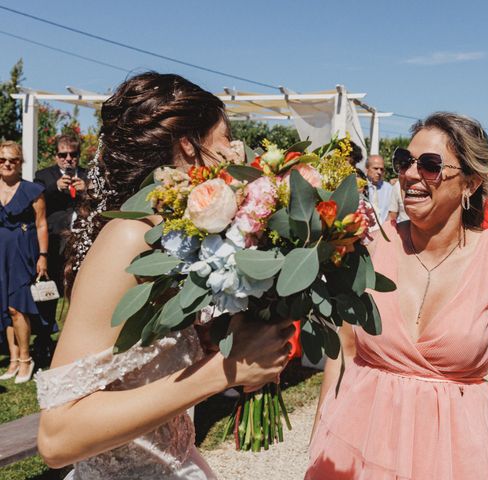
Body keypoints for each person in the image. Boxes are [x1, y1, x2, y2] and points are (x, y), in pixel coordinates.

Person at [35, 72, 294, 479]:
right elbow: (57, 437)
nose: (237, 152)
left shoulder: (174, 241)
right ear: (188, 146)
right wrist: (220, 372)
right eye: (226, 139)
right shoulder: (128, 236)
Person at [307, 112, 488, 480]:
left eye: (429, 165)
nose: (410, 174)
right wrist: (319, 443)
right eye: (404, 161)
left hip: (455, 458)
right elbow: (343, 354)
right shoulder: (371, 246)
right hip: (360, 450)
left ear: (470, 183)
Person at [34, 135, 87, 362]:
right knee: (48, 298)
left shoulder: (86, 176)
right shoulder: (44, 176)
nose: (68, 160)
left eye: (73, 155)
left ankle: (77, 345)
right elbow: (35, 200)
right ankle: (44, 342)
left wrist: (88, 189)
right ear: (56, 156)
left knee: (80, 296)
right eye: (63, 155)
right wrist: (55, 188)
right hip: (54, 246)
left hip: (82, 246)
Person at [0, 141, 49, 383]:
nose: (7, 164)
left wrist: (43, 256)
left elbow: (41, 224)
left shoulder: (33, 190)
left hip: (22, 252)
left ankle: (26, 361)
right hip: (1, 253)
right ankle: (12, 359)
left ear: (20, 163)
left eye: (12, 160)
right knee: (5, 309)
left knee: (17, 308)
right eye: (3, 160)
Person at [366, 154, 393, 224]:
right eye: (375, 168)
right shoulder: (360, 187)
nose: (379, 172)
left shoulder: (389, 189)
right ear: (366, 169)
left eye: (381, 169)